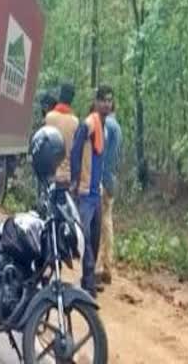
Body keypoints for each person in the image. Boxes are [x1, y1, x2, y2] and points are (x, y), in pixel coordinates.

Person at [70, 85, 113, 298]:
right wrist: (75, 180)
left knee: (94, 239)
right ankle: (87, 282)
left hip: (96, 192)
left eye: (110, 100)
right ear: (96, 102)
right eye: (103, 100)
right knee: (85, 238)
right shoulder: (88, 124)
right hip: (85, 192)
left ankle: (89, 279)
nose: (107, 104)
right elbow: (76, 149)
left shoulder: (104, 128)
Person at [97, 101, 122, 285]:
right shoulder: (118, 128)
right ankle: (107, 264)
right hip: (112, 179)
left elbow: (101, 154)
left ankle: (99, 266)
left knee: (99, 224)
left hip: (102, 178)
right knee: (108, 223)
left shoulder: (107, 125)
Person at [45, 83, 79, 193]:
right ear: (72, 99)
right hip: (66, 177)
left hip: (49, 174)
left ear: (60, 95)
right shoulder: (75, 122)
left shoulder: (49, 118)